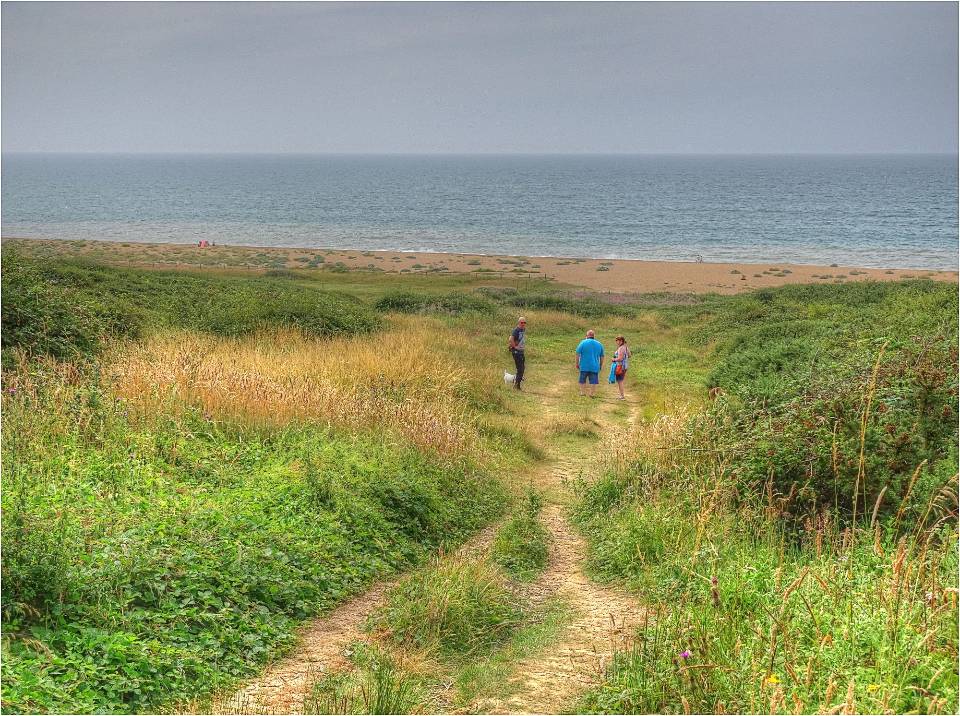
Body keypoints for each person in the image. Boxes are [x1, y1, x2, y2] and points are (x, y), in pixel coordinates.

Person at [575, 329, 604, 398]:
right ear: (594, 336)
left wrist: (577, 363)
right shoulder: (599, 344)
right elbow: (602, 356)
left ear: (587, 336)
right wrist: (600, 365)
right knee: (593, 381)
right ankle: (591, 394)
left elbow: (577, 353)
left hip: (584, 365)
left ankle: (582, 393)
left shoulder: (583, 342)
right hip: (594, 366)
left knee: (582, 379)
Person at [508, 316, 527, 391]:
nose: (523, 324)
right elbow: (510, 339)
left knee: (522, 368)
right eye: (521, 322)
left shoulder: (523, 329)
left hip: (521, 351)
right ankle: (516, 386)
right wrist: (515, 347)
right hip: (516, 352)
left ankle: (517, 385)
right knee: (520, 369)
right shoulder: (516, 330)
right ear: (519, 322)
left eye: (524, 322)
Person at [611, 335, 631, 400]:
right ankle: (622, 395)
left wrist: (614, 359)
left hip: (620, 366)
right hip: (625, 366)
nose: (618, 342)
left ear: (622, 341)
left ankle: (622, 396)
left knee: (620, 381)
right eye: (617, 340)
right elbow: (629, 355)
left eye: (619, 340)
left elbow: (620, 358)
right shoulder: (626, 347)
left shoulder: (621, 348)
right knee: (621, 380)